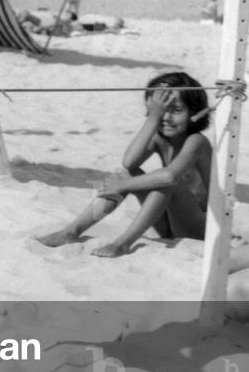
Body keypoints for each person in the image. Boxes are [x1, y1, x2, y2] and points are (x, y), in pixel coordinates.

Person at [36, 72, 218, 257]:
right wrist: (152, 120)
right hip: (166, 226)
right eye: (161, 110)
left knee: (166, 180)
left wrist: (122, 186)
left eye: (176, 110)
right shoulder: (160, 136)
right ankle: (72, 231)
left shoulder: (197, 142)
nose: (167, 117)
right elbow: (129, 162)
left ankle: (123, 243)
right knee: (127, 174)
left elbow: (170, 176)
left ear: (195, 113)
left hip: (198, 229)